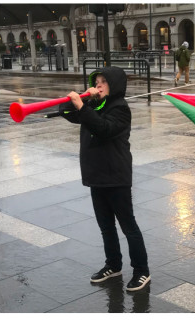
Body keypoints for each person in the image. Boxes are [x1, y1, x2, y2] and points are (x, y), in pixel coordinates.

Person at [59, 66, 151, 292]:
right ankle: (113, 265)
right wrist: (79, 98)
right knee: (106, 227)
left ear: (114, 85)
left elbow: (103, 128)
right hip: (96, 175)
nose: (98, 85)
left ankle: (142, 271)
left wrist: (83, 107)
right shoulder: (93, 104)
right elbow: (67, 113)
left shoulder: (120, 108)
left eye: (103, 82)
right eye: (96, 81)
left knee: (128, 226)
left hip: (116, 176)